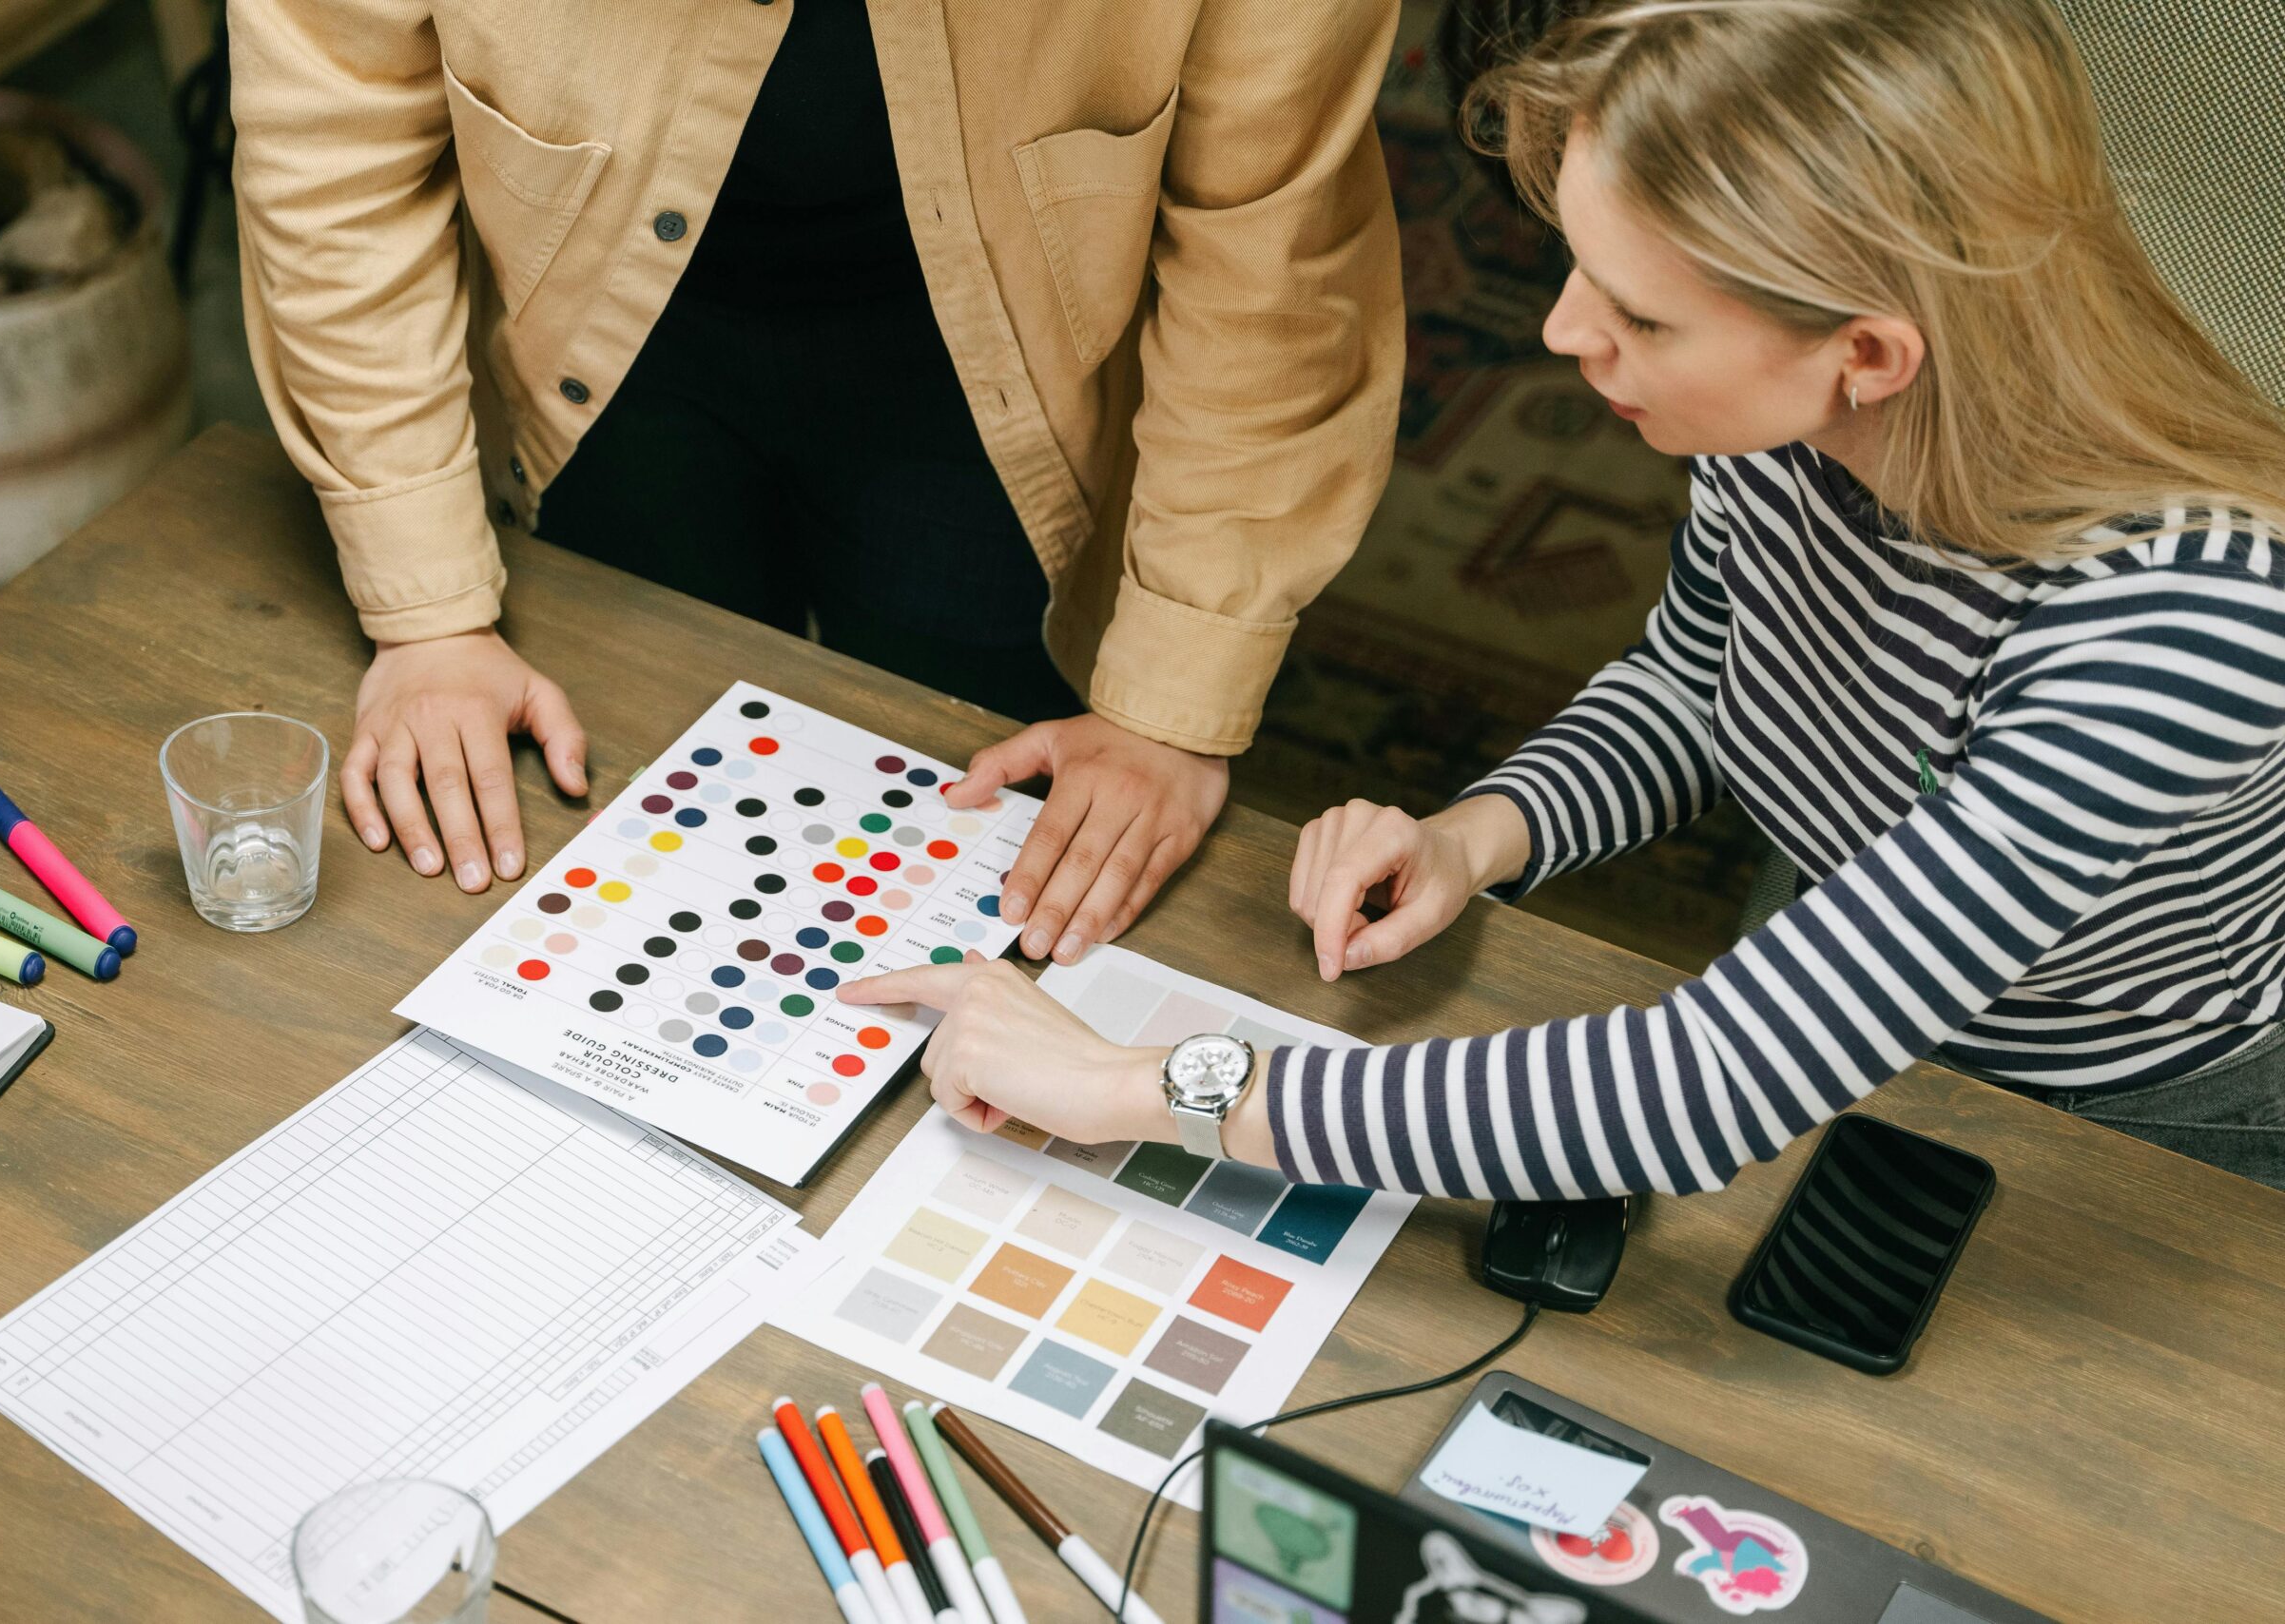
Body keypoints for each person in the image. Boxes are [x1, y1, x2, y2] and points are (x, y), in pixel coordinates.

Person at [842, 0, 2285, 1192]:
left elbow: (1699, 1092)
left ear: (1870, 351)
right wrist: (1484, 835)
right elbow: (1700, 690)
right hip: (1837, 944)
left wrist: (1126, 1084)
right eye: (1582, 268)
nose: (1558, 333)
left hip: (2113, 1116)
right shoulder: (1795, 425)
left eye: (1641, 315)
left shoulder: (2178, 625)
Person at [226, 0, 1404, 966]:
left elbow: (1273, 252)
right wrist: (428, 608)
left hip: (1009, 354)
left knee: (982, 902)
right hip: (595, 330)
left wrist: (1170, 700)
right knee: (624, 853)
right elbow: (335, 144)